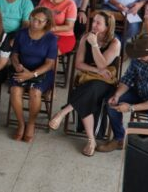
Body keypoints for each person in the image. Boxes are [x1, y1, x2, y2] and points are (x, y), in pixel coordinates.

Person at [49, 11, 122, 156]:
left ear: (107, 27)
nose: (93, 25)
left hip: (106, 82)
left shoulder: (115, 42)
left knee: (91, 89)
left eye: (98, 23)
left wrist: (94, 45)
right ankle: (91, 140)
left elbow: (103, 65)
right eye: (93, 21)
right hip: (87, 77)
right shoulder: (85, 37)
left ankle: (63, 112)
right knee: (89, 91)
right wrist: (96, 70)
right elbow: (78, 64)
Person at [97, 34, 148, 153]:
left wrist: (130, 108)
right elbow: (128, 79)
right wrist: (117, 95)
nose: (137, 57)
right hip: (142, 91)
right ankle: (119, 138)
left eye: (140, 55)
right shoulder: (138, 58)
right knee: (112, 103)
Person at [9, 7, 59, 142]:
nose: (35, 23)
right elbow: (14, 54)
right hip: (22, 69)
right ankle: (20, 123)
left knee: (35, 92)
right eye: (33, 19)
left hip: (41, 72)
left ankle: (31, 123)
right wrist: (17, 65)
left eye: (39, 21)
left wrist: (32, 74)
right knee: (15, 90)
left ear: (46, 23)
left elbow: (49, 63)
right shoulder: (22, 33)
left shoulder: (51, 38)